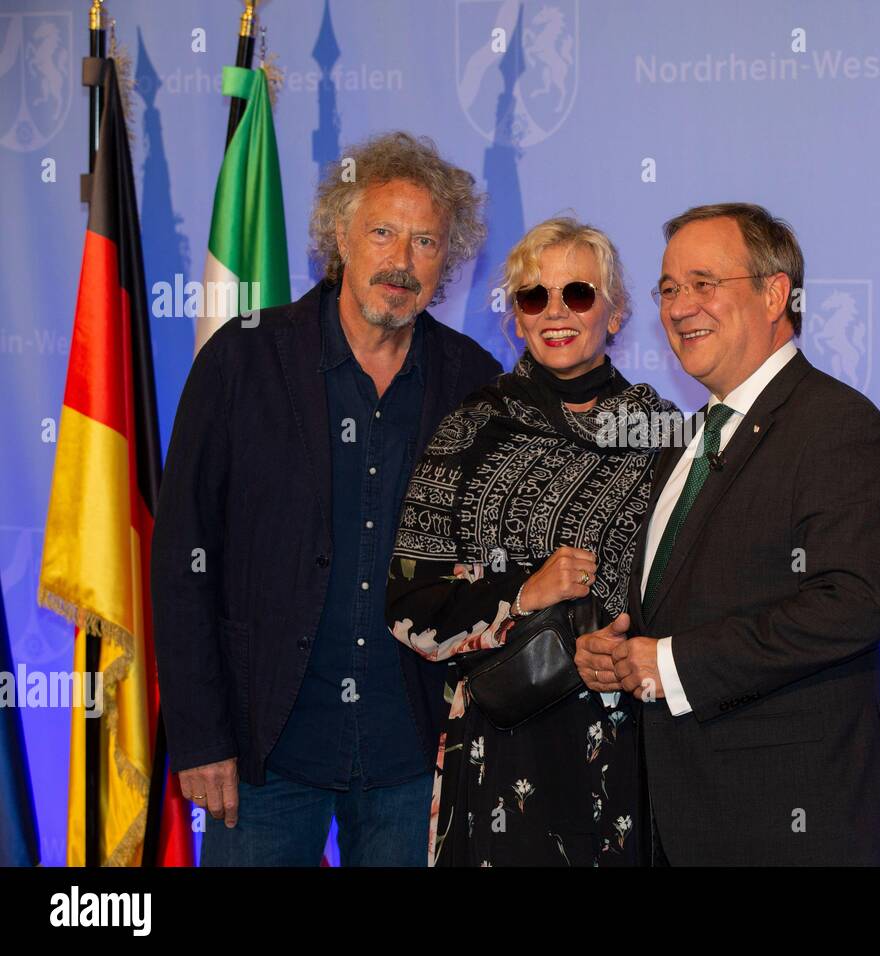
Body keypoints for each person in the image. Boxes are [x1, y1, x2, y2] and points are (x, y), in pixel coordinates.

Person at [152, 132, 502, 865]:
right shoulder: (242, 360)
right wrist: (201, 735)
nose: (401, 262)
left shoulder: (472, 380)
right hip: (263, 753)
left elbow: (495, 568)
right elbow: (182, 561)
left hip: (417, 755)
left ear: (450, 260)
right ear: (338, 235)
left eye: (426, 242)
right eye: (382, 233)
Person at [593, 202, 880, 865]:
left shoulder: (837, 426)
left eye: (704, 284)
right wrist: (619, 652)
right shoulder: (681, 441)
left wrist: (672, 663)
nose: (680, 307)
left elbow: (850, 605)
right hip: (680, 824)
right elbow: (677, 604)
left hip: (792, 828)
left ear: (775, 295)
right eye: (670, 289)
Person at [385, 216, 673, 866]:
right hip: (500, 742)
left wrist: (626, 640)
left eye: (578, 293)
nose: (555, 312)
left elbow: (696, 590)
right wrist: (520, 593)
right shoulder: (472, 427)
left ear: (617, 310)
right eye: (533, 297)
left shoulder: (665, 436)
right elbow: (408, 604)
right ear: (515, 317)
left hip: (624, 743)